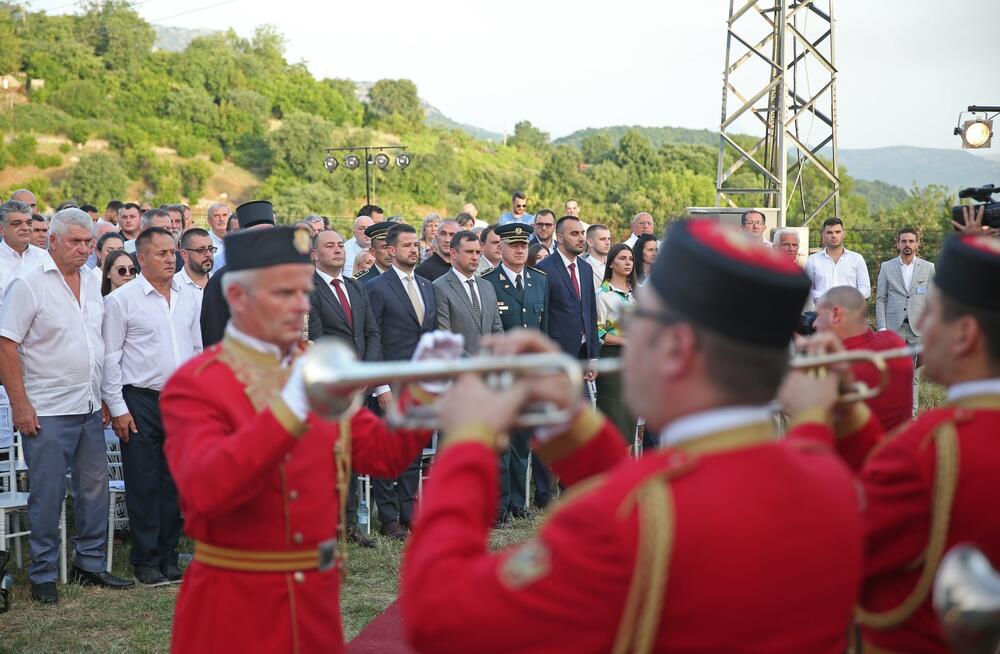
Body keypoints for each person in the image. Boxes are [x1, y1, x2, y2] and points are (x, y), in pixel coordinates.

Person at [401, 219, 864, 653]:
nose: (626, 332)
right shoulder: (828, 473)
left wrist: (467, 440)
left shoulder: (624, 519)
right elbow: (669, 485)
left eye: (638, 321)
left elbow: (438, 616)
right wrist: (564, 417)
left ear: (676, 350)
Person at [160, 226, 440, 654]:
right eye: (282, 293)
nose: (300, 305)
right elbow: (206, 489)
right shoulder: (197, 384)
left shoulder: (314, 366)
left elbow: (382, 455)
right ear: (238, 299)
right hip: (235, 605)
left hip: (314, 602)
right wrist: (290, 407)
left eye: (302, 291)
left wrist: (424, 394)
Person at [780, 233, 1000, 654]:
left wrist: (811, 420)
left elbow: (817, 548)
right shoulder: (928, 447)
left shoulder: (931, 449)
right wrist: (849, 414)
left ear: (965, 334)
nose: (920, 328)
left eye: (931, 314)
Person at [0, 208, 135, 604]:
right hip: (46, 409)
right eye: (75, 241)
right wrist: (21, 405)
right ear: (53, 241)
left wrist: (107, 397)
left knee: (94, 491)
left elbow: (99, 342)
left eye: (88, 242)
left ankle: (89, 564)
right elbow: (6, 345)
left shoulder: (93, 280)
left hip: (89, 405)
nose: (83, 249)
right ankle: (43, 573)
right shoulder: (28, 285)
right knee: (48, 493)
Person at [102, 226, 203, 586]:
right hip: (139, 400)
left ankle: (168, 555)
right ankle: (145, 560)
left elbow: (196, 350)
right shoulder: (121, 301)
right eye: (160, 254)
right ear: (141, 258)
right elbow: (110, 358)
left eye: (172, 252)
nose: (169, 258)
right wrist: (117, 407)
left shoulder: (188, 297)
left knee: (174, 480)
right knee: (143, 481)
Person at [307, 228, 382, 548]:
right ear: (314, 254)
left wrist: (365, 373)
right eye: (329, 246)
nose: (338, 250)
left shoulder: (356, 286)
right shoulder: (308, 289)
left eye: (341, 245)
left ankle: (349, 523)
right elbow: (317, 338)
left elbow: (372, 333)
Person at [366, 223, 438, 540]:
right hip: (391, 382)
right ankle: (388, 516)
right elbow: (375, 338)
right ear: (391, 250)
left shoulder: (427, 286)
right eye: (408, 245)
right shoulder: (378, 288)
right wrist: (380, 386)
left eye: (417, 245)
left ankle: (409, 514)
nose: (415, 249)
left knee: (413, 449)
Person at [481, 223, 552, 514]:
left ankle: (518, 503)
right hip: (501, 374)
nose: (520, 250)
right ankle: (499, 505)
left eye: (524, 246)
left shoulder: (540, 280)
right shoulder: (488, 281)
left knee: (523, 441)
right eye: (513, 246)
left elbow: (543, 329)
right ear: (502, 248)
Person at [814, 286, 914, 431]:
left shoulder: (832, 367)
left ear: (835, 314)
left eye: (818, 316)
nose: (814, 324)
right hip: (902, 445)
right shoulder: (896, 343)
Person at [200, 201, 276, 347]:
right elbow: (214, 336)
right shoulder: (221, 280)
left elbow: (305, 316)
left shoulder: (288, 273)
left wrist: (303, 341)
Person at [536, 216, 600, 380]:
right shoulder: (543, 269)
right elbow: (541, 317)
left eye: (582, 233)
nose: (581, 238)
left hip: (584, 352)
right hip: (557, 355)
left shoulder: (586, 268)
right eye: (574, 233)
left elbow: (590, 313)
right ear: (560, 238)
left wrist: (593, 356)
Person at [433, 230, 503, 357]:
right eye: (469, 252)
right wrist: (474, 365)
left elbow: (497, 329)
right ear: (453, 253)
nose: (475, 257)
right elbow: (445, 339)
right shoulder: (439, 287)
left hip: (491, 368)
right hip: (459, 370)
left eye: (478, 252)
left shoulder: (487, 286)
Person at [595, 243, 638, 445]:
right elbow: (596, 330)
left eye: (630, 259)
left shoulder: (638, 294)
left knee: (631, 419)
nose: (628, 262)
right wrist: (624, 340)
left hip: (636, 362)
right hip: (612, 359)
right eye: (622, 258)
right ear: (611, 263)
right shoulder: (602, 295)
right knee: (615, 420)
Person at [875, 227, 935, 349]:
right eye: (903, 241)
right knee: (894, 366)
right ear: (898, 244)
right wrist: (882, 328)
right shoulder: (886, 267)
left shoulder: (928, 267)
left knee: (918, 367)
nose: (907, 244)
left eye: (911, 241)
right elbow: (881, 299)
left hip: (919, 330)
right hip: (893, 329)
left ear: (917, 244)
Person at [803, 217, 871, 306]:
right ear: (823, 235)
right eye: (829, 232)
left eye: (837, 232)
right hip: (822, 313)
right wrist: (826, 297)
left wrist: (849, 298)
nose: (834, 235)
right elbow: (807, 290)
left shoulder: (857, 259)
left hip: (850, 312)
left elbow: (865, 289)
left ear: (844, 234)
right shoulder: (812, 260)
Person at [0, 200, 47, 311]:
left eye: (29, 223)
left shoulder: (44, 257)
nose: (26, 228)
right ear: (1, 229)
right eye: (17, 224)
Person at [176, 228, 215, 314]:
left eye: (211, 249)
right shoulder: (173, 286)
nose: (208, 254)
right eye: (201, 250)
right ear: (184, 255)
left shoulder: (219, 282)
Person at [583, 223, 612, 288]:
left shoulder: (614, 265)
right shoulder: (583, 267)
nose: (608, 243)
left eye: (609, 239)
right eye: (602, 239)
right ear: (590, 242)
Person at [205, 203, 231, 271]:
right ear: (209, 221)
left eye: (225, 215)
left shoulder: (237, 240)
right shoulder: (204, 241)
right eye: (216, 216)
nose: (221, 219)